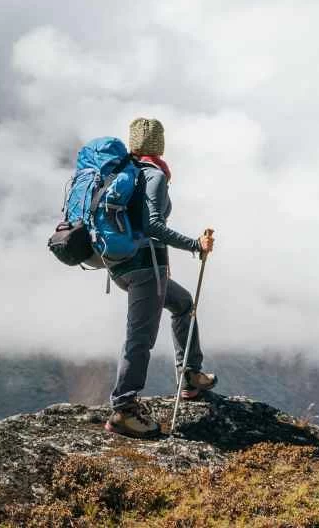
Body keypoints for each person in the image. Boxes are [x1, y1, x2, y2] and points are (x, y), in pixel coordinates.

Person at [104, 117, 216, 438]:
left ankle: (189, 374)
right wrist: (195, 245)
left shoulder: (124, 173)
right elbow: (153, 225)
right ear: (159, 144)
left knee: (183, 304)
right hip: (145, 270)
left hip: (122, 266)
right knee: (140, 339)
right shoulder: (153, 175)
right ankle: (123, 409)